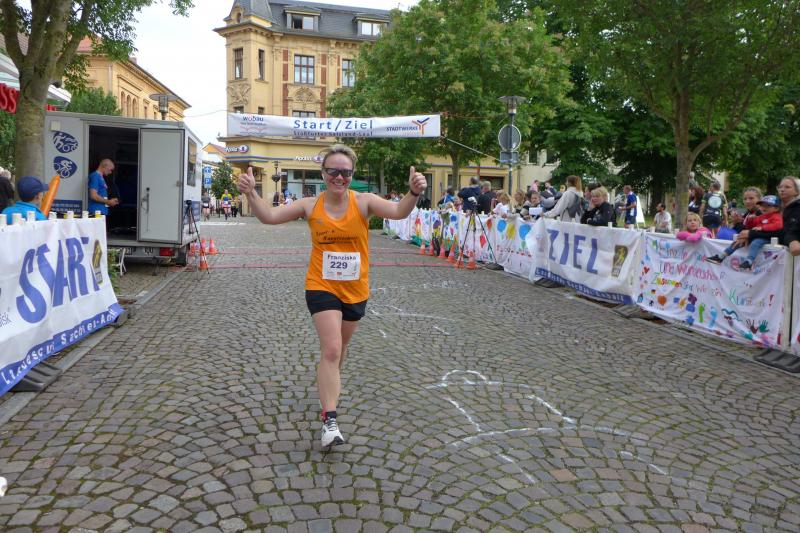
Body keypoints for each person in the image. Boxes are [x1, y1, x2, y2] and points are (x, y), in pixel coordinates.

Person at [236, 144, 427, 448]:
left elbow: (398, 211)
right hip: (321, 285)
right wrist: (251, 194)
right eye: (333, 171)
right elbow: (269, 217)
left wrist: (413, 192)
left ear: (352, 174)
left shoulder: (364, 202)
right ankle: (330, 420)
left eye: (346, 172)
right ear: (323, 173)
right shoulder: (310, 205)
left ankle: (328, 386)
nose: (340, 177)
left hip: (355, 288)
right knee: (332, 348)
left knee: (341, 348)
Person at [706, 195, 783, 270]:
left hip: (767, 238)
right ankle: (721, 256)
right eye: (762, 205)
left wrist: (762, 227)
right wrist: (750, 220)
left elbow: (778, 225)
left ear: (776, 208)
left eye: (768, 206)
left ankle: (749, 261)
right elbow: (751, 226)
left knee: (755, 243)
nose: (764, 208)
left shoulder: (776, 216)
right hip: (758, 236)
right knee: (738, 241)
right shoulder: (762, 216)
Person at [736, 176, 800, 257]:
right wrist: (746, 233)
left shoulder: (797, 209)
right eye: (780, 187)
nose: (782, 189)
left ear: (797, 191)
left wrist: (752, 234)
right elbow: (758, 226)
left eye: (787, 187)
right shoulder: (770, 207)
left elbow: (785, 232)